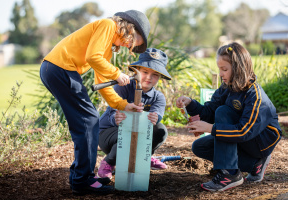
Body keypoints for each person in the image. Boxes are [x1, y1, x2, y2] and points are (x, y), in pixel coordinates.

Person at [39, 10, 151, 195]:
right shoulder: (108, 26)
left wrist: (122, 105)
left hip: (58, 69)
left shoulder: (107, 45)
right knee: (88, 120)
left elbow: (101, 80)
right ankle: (82, 180)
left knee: (87, 120)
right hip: (59, 68)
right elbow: (93, 57)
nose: (129, 46)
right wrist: (117, 74)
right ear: (130, 28)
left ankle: (83, 177)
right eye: (133, 41)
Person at [176, 42, 282, 192]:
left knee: (223, 112)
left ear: (238, 69)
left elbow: (244, 131)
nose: (220, 74)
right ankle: (255, 164)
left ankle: (230, 174)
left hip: (260, 141)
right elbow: (209, 111)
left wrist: (211, 128)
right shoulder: (227, 87)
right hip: (241, 137)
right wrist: (190, 103)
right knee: (200, 147)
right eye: (219, 69)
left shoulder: (255, 96)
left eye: (224, 69)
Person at [97, 48, 172, 179]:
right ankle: (109, 162)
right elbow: (111, 113)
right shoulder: (123, 87)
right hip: (110, 134)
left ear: (160, 77)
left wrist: (154, 118)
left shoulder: (158, 97)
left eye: (154, 74)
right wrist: (116, 118)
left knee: (160, 130)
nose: (149, 77)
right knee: (129, 131)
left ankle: (145, 157)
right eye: (145, 72)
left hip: (137, 137)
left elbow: (157, 115)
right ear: (136, 70)